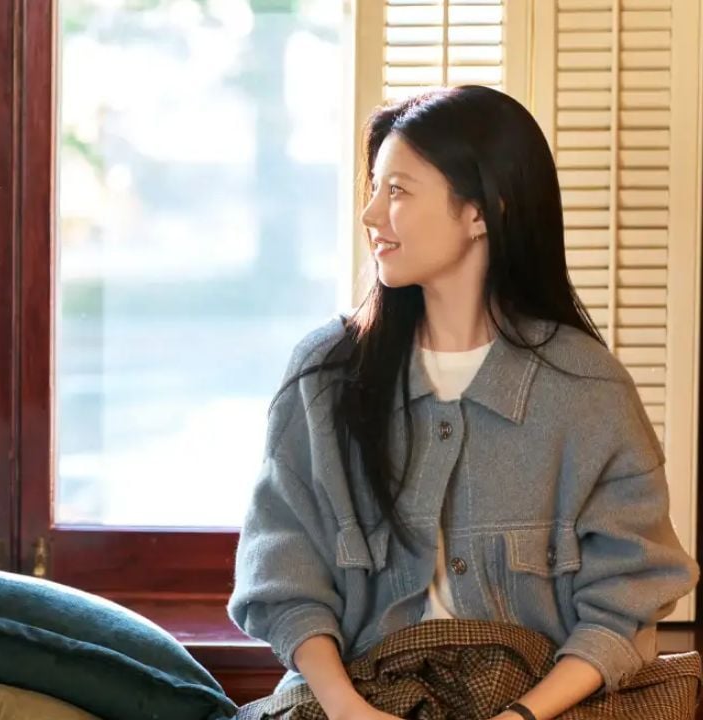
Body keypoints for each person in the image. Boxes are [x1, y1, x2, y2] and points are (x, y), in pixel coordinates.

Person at [228, 85, 698, 720]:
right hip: (355, 698)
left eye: (398, 191)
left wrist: (521, 717)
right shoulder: (325, 374)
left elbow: (625, 602)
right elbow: (285, 575)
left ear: (481, 212)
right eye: (374, 187)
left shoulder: (589, 389)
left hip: (545, 704)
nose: (370, 214)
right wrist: (347, 710)